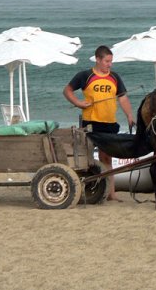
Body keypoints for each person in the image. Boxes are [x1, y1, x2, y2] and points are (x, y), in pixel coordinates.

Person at [63, 45, 135, 201]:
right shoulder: (85, 75)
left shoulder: (115, 77)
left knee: (107, 158)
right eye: (107, 61)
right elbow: (67, 90)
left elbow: (122, 98)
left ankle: (111, 194)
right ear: (97, 59)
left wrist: (129, 115)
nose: (109, 64)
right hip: (90, 123)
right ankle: (84, 189)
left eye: (111, 61)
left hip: (109, 123)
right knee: (86, 158)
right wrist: (78, 103)